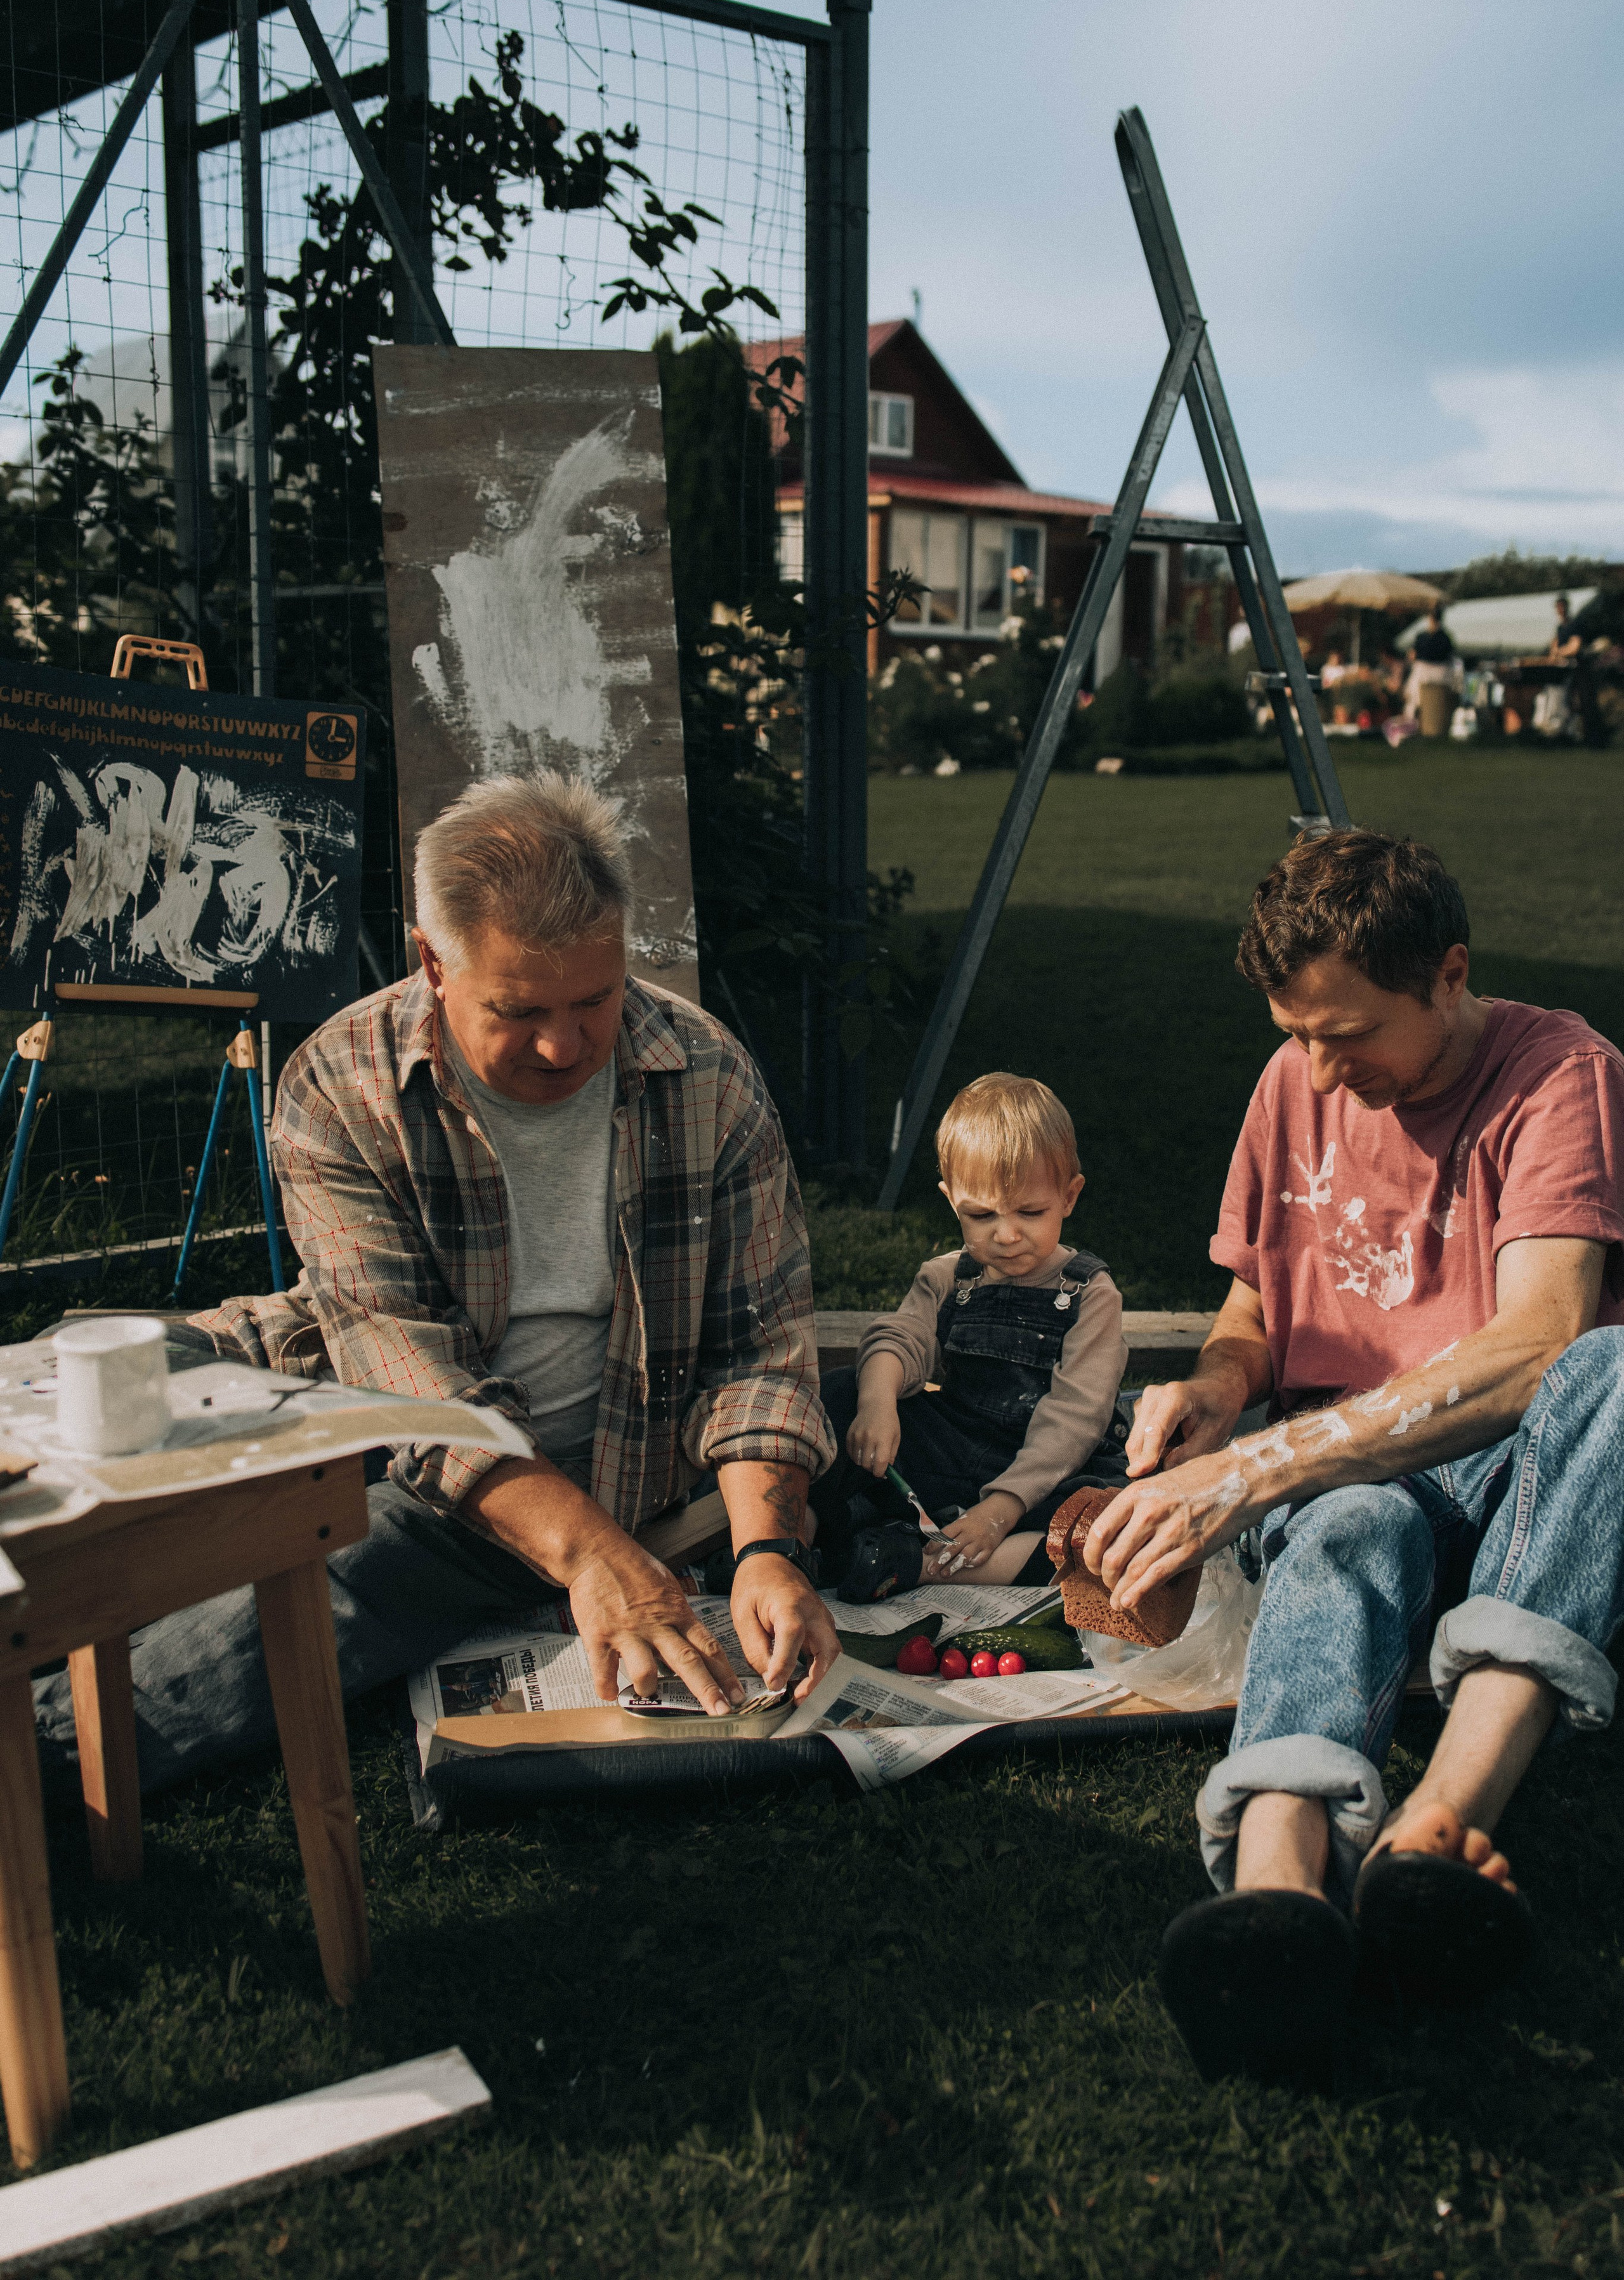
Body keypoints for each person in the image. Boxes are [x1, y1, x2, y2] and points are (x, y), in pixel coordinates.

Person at [34, 773, 840, 1797]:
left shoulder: (708, 1075)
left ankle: (39, 1749)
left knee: (233, 1648)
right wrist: (598, 1562)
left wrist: (768, 1548)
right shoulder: (338, 1082)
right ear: (433, 964)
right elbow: (407, 1370)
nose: (565, 1044)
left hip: (491, 1488)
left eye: (596, 1000)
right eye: (521, 1010)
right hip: (358, 1386)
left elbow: (761, 1345)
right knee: (58, 1394)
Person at [1079, 829, 1624, 2087]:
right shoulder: (1293, 1081)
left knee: (1613, 1370)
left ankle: (1440, 1824)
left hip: (1514, 1488)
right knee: (1353, 1526)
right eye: (1296, 1034)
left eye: (1347, 1034)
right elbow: (1251, 1317)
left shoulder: (1560, 1074)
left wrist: (1261, 1468)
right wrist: (1212, 1395)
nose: (1319, 1072)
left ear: (1446, 973)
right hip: (1342, 1486)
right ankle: (1274, 1893)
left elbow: (1537, 1345)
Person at [807, 1074, 1130, 1601]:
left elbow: (1075, 1417)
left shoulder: (1090, 1293)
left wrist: (1002, 1509)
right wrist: (877, 1403)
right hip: (955, 1451)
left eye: (1030, 1212)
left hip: (1048, 1468)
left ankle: (918, 1564)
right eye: (980, 1215)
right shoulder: (949, 1277)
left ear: (1070, 1197)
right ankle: (802, 1538)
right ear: (951, 1201)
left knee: (1106, 1522)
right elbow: (902, 1337)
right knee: (837, 1395)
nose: (1005, 1234)